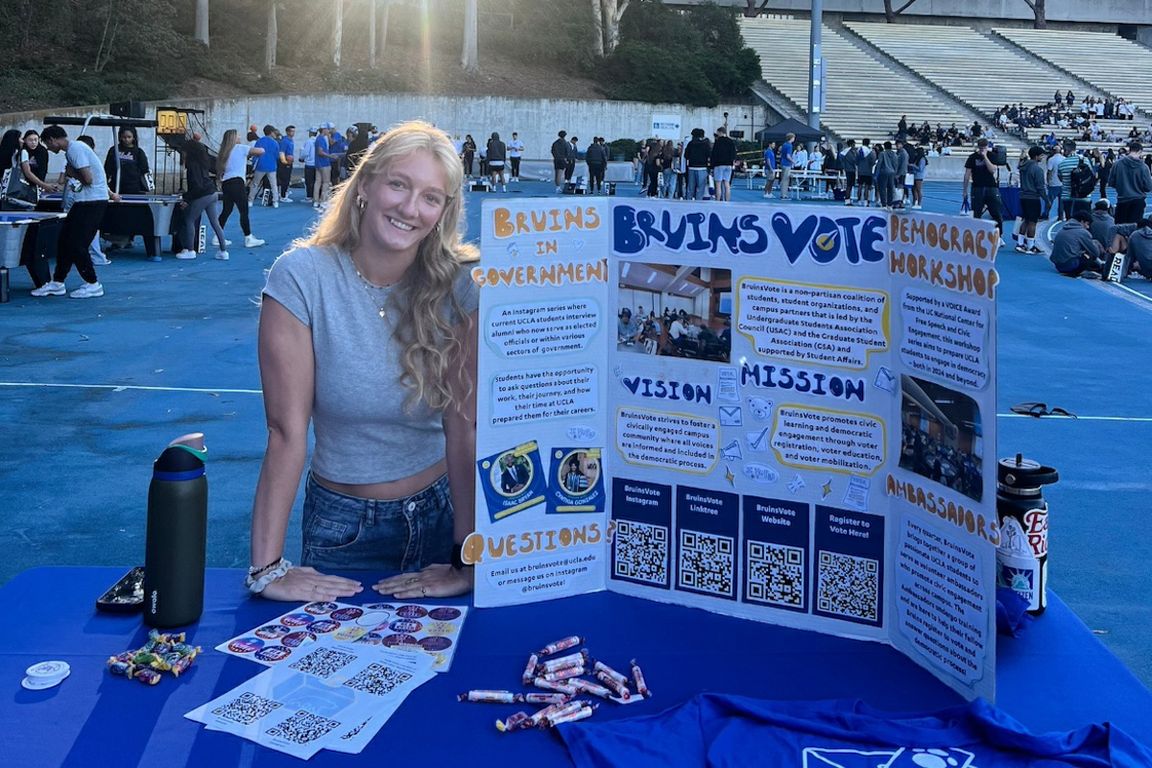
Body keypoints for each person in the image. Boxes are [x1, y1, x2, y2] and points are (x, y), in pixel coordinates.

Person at [248, 120, 478, 602]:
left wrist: (466, 555)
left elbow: (464, 426)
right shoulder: (302, 277)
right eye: (398, 184)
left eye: (431, 197)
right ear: (365, 185)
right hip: (344, 525)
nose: (410, 208)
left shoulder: (461, 286)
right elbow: (285, 430)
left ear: (444, 212)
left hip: (443, 515)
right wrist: (267, 568)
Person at [32, 125, 114, 299]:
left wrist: (71, 172)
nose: (48, 148)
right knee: (64, 240)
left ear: (53, 139)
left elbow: (88, 179)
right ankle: (58, 282)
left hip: (92, 201)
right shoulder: (74, 149)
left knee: (78, 243)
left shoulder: (74, 149)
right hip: (84, 201)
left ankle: (93, 283)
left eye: (47, 144)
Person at [174, 134, 229, 261]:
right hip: (212, 193)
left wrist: (186, 198)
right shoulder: (203, 162)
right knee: (215, 222)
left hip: (203, 194)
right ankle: (223, 251)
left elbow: (196, 187)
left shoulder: (192, 165)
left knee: (189, 220)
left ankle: (190, 249)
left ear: (189, 152)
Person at [217, 128, 266, 249]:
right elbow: (260, 151)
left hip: (226, 182)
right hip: (237, 182)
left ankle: (217, 236)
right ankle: (248, 237)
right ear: (234, 138)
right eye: (238, 136)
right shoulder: (241, 148)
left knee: (226, 210)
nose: (240, 137)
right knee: (243, 211)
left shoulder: (224, 151)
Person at [962, 138, 1004, 242]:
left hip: (991, 187)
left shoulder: (991, 156)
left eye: (984, 148)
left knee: (996, 213)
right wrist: (964, 190)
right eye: (981, 148)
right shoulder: (972, 157)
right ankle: (976, 236)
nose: (982, 150)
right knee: (976, 213)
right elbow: (967, 174)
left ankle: (998, 236)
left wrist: (985, 157)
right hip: (977, 187)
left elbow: (992, 170)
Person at [1049, 211, 1104, 278]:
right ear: (1082, 221)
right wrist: (1096, 245)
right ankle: (1101, 266)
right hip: (1070, 266)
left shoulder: (1063, 228)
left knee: (1083, 250)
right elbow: (1096, 253)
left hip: (1058, 266)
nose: (1088, 227)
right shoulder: (1083, 232)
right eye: (1087, 224)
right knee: (1089, 253)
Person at [1111, 141, 1152, 225]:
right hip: (1138, 201)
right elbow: (1148, 187)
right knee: (1134, 230)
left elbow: (1112, 182)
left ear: (1129, 150)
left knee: (1120, 230)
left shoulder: (1117, 164)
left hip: (1122, 200)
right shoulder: (1144, 167)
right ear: (1140, 151)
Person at [1016, 146, 1047, 254]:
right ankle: (1030, 245)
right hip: (1033, 197)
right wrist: (1046, 199)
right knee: (1033, 222)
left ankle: (1020, 243)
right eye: (1041, 155)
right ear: (1036, 156)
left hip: (1023, 196)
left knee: (1025, 219)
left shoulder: (1023, 166)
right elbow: (1040, 187)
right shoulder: (1037, 169)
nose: (1042, 158)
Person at [250, 125, 282, 207]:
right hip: (272, 166)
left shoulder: (259, 141)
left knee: (255, 183)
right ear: (271, 132)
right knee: (273, 184)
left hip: (260, 165)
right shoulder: (275, 143)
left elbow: (255, 153)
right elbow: (277, 156)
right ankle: (275, 202)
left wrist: (253, 163)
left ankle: (250, 201)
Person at [710, 126, 736, 202]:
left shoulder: (718, 142)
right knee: (727, 184)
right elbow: (734, 153)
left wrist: (712, 166)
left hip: (719, 165)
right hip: (729, 165)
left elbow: (714, 155)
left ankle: (718, 200)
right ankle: (727, 201)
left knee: (718, 184)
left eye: (718, 132)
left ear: (720, 132)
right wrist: (732, 162)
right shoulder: (731, 141)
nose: (717, 134)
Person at [684, 128, 711, 201]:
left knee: (690, 188)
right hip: (702, 168)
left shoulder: (690, 144)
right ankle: (698, 203)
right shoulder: (705, 144)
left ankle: (688, 201)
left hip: (691, 167)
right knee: (700, 188)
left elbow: (686, 156)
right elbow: (709, 155)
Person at [313, 123, 334, 208]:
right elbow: (320, 152)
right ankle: (323, 201)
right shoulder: (321, 139)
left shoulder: (319, 139)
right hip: (324, 164)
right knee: (326, 182)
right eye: (328, 129)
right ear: (324, 129)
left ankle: (316, 201)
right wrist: (330, 156)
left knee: (318, 182)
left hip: (318, 163)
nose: (329, 131)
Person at [277, 125, 296, 202]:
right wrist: (285, 162)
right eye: (291, 131)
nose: (293, 133)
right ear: (287, 132)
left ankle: (284, 192)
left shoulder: (291, 140)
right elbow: (281, 152)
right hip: (285, 163)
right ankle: (283, 196)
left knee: (287, 179)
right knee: (285, 179)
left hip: (289, 162)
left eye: (294, 131)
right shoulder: (285, 141)